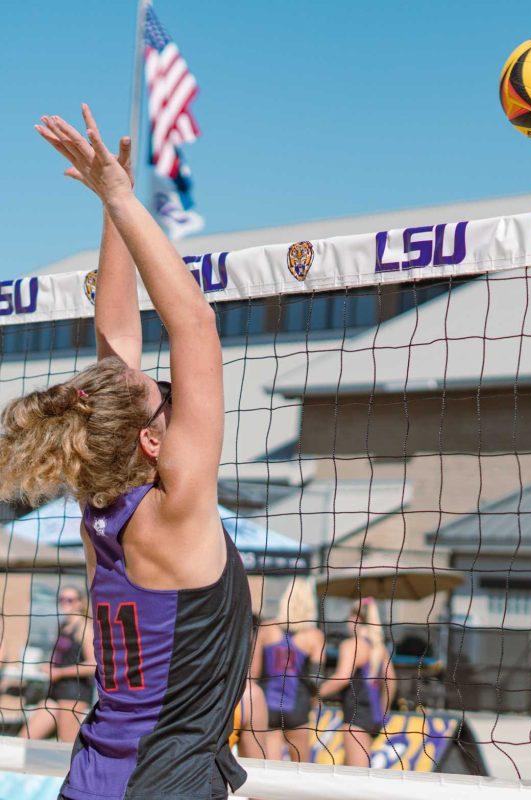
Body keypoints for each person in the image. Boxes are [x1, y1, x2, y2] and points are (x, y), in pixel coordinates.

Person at [3, 107, 254, 800]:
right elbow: (195, 325)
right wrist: (118, 197)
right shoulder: (172, 519)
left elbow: (116, 333)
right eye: (164, 396)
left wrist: (113, 204)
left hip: (98, 780)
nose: (168, 384)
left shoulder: (103, 507)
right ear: (152, 442)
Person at [252, 578, 323, 761]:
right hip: (297, 706)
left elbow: (253, 673)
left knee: (269, 770)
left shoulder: (266, 628)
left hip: (268, 705)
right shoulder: (314, 636)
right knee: (301, 769)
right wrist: (314, 702)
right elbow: (316, 680)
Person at [318, 598, 393, 767]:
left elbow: (342, 678)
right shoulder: (380, 648)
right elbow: (391, 682)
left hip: (356, 718)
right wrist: (383, 711)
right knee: (351, 772)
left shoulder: (352, 645)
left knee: (356, 779)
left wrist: (315, 693)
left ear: (356, 619)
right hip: (374, 718)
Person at [19, 585, 95, 743]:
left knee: (66, 745)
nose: (65, 603)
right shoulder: (63, 626)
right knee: (24, 740)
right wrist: (49, 667)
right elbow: (62, 657)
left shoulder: (84, 628)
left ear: (80, 603)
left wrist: (60, 672)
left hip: (74, 693)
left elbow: (92, 665)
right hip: (56, 691)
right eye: (61, 599)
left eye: (70, 599)